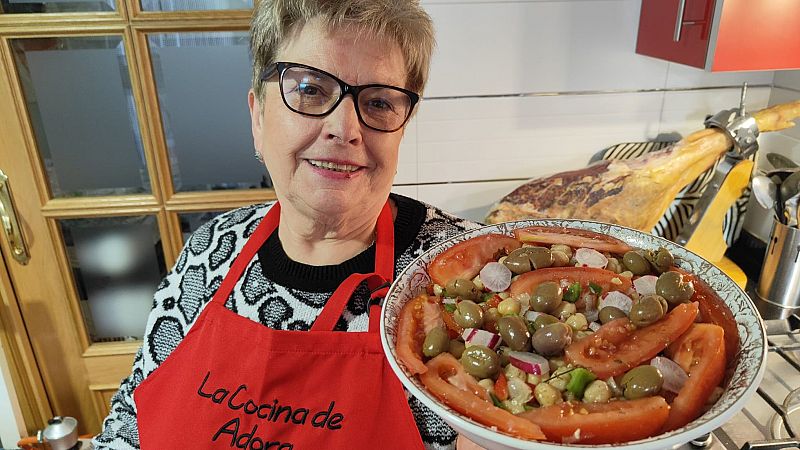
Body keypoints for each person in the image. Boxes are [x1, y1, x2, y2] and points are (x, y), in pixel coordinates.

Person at [92, 0, 480, 448]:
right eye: (311, 89)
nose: (344, 128)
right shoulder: (212, 249)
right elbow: (132, 418)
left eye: (377, 102)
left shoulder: (460, 277)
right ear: (258, 116)